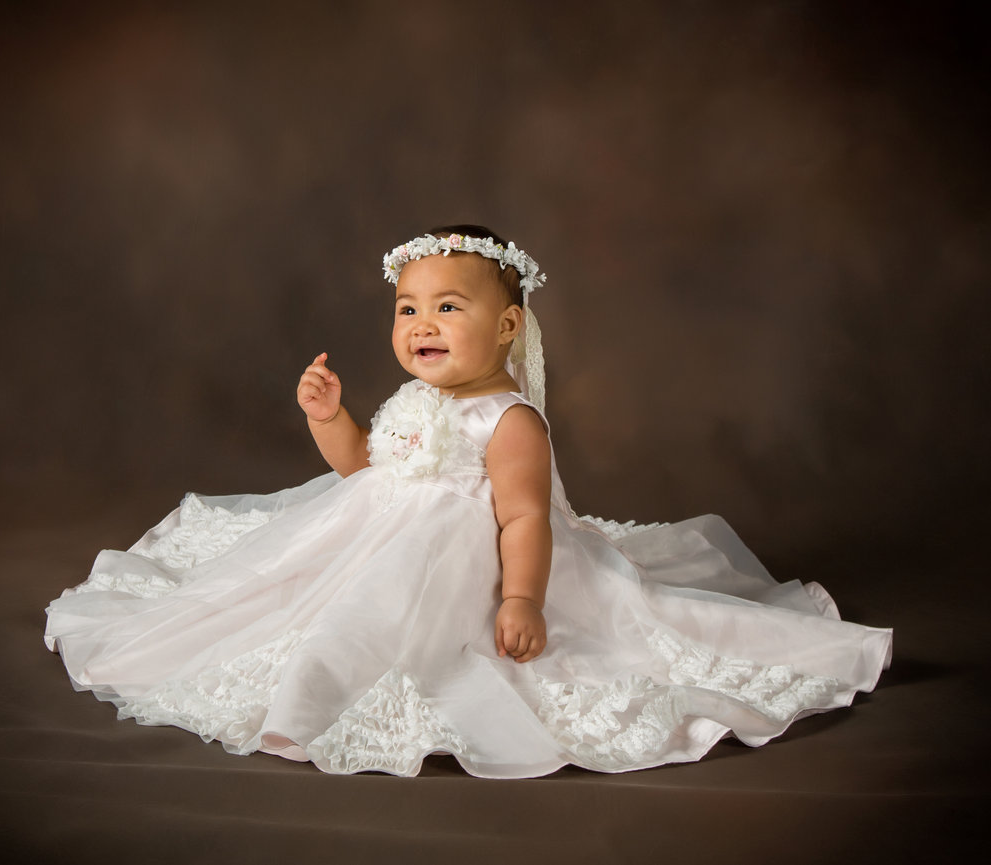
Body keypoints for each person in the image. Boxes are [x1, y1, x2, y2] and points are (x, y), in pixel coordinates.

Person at [45, 225, 892, 779]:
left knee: (380, 623)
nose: (423, 323)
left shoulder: (511, 420)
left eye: (450, 307)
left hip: (468, 568)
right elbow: (363, 472)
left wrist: (520, 596)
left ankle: (316, 698)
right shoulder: (416, 402)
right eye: (409, 308)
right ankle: (306, 675)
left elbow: (521, 517)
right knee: (284, 597)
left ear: (507, 328)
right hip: (374, 540)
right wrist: (329, 418)